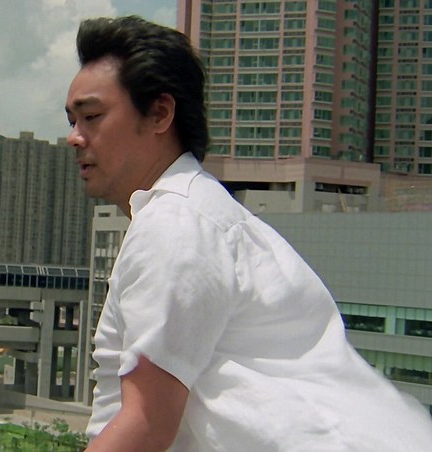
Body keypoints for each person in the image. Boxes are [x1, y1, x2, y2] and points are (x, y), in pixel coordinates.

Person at [65, 15, 432, 451]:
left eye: (91, 116)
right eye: (72, 121)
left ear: (160, 113)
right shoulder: (196, 214)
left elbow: (147, 423)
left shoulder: (176, 223)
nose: (75, 138)